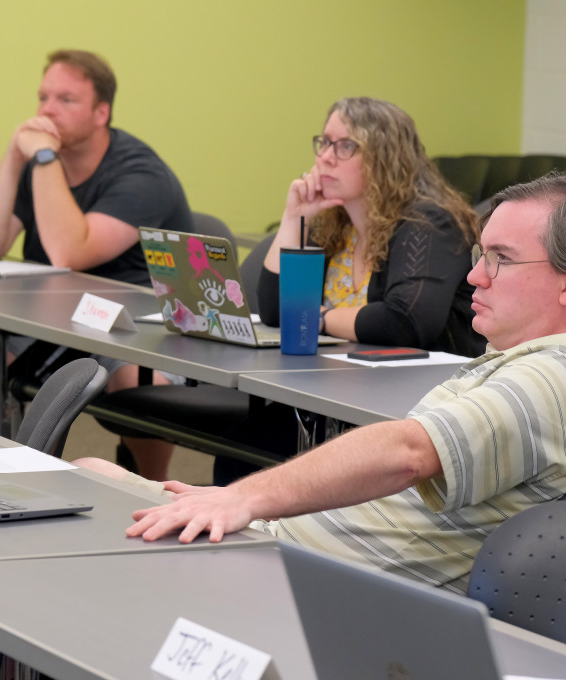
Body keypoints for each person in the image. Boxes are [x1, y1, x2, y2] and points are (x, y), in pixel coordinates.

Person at [77, 172, 566, 594]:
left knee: (87, 491)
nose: (475, 275)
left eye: (501, 258)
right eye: (481, 254)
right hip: (282, 546)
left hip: (308, 583)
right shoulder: (514, 361)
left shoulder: (549, 375)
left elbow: (409, 453)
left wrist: (238, 498)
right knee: (91, 473)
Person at [0, 49, 193, 480]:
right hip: (57, 318)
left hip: (135, 327)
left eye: (66, 100)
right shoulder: (42, 166)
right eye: (43, 97)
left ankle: (152, 483)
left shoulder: (140, 175)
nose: (48, 110)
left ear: (101, 112)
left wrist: (43, 159)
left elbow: (71, 252)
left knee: (136, 382)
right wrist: (15, 158)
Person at [258, 96, 485, 357]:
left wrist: (315, 317)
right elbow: (276, 312)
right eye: (325, 143)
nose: (326, 157)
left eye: (345, 146)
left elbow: (406, 322)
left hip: (423, 388)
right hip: (338, 380)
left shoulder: (429, 222)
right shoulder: (335, 223)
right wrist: (295, 216)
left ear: (385, 159)